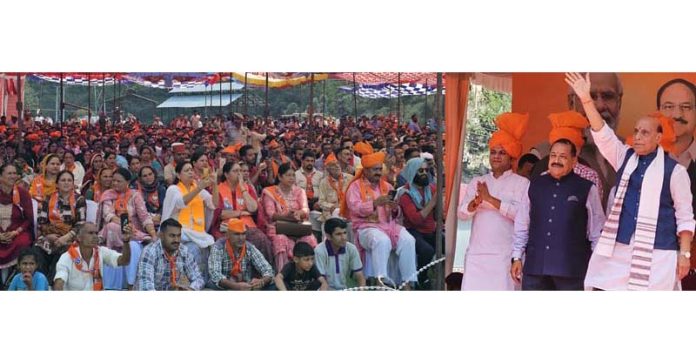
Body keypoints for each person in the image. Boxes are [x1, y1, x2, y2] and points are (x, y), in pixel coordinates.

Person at [566, 72, 695, 290]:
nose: (637, 136)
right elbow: (602, 133)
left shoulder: (675, 172)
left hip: (659, 253)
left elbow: (685, 217)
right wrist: (586, 100)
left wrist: (684, 255)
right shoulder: (625, 157)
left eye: (645, 133)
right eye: (636, 131)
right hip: (621, 249)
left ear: (658, 138)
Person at [510, 138, 605, 290]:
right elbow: (522, 223)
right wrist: (516, 257)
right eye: (553, 155)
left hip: (571, 271)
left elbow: (596, 231)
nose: (556, 160)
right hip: (535, 269)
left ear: (574, 160)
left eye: (563, 156)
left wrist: (597, 265)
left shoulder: (586, 188)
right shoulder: (534, 185)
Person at [457, 113, 530, 290]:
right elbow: (461, 214)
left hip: (504, 257)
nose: (496, 157)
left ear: (512, 157)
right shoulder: (478, 181)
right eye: (493, 152)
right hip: (477, 255)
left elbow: (522, 217)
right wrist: (474, 204)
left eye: (502, 153)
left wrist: (490, 200)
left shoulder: (522, 183)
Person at [342, 147, 417, 289]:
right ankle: (381, 283)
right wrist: (375, 203)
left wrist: (395, 208)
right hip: (366, 227)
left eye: (379, 169)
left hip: (390, 226)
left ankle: (408, 282)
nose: (378, 173)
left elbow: (397, 214)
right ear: (365, 171)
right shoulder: (355, 187)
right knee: (381, 241)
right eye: (374, 170)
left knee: (409, 240)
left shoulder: (387, 186)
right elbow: (354, 208)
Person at [656, 79, 696, 289]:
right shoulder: (640, 163)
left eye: (686, 107)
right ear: (657, 112)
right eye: (668, 107)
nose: (676, 114)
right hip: (652, 270)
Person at [97, 168, 157, 289]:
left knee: (132, 245)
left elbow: (144, 217)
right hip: (117, 232)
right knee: (111, 226)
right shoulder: (108, 195)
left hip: (133, 235)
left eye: (118, 181)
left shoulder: (135, 195)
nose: (114, 184)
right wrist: (128, 228)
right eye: (113, 181)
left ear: (127, 182)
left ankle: (131, 283)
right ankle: (141, 237)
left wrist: (153, 234)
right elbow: (108, 216)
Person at [161, 161, 218, 279]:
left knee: (210, 247)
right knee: (195, 248)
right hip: (179, 234)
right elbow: (181, 202)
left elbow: (214, 204)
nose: (190, 172)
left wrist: (215, 184)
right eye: (186, 170)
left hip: (197, 234)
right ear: (178, 175)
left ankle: (204, 280)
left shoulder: (198, 189)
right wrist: (199, 187)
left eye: (191, 169)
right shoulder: (173, 189)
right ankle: (188, 280)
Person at [260, 162, 318, 272]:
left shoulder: (299, 191)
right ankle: (283, 275)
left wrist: (299, 214)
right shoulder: (269, 191)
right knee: (280, 240)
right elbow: (271, 214)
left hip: (297, 227)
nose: (291, 178)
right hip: (278, 228)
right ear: (280, 177)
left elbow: (306, 209)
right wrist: (287, 216)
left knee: (309, 238)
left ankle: (311, 273)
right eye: (288, 175)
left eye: (293, 175)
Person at [212, 161, 273, 262]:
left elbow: (253, 208)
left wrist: (243, 188)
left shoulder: (247, 187)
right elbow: (220, 213)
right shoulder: (219, 189)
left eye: (240, 171)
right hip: (228, 227)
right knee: (226, 241)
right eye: (235, 171)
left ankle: (264, 273)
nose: (239, 174)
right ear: (226, 174)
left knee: (261, 239)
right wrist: (241, 212)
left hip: (248, 226)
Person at [33, 170, 86, 285]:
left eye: (69, 180)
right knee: (37, 252)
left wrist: (66, 237)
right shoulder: (48, 198)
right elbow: (41, 222)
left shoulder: (79, 200)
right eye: (63, 180)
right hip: (49, 236)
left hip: (70, 238)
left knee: (63, 254)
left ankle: (52, 285)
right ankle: (41, 285)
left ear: (73, 184)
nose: (66, 183)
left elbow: (81, 224)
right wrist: (49, 235)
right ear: (57, 184)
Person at [397, 157, 438, 289]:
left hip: (431, 229)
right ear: (412, 172)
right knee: (427, 250)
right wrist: (433, 203)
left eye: (426, 170)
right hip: (413, 230)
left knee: (448, 245)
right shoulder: (405, 193)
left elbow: (438, 216)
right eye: (420, 171)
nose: (425, 173)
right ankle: (421, 278)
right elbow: (416, 219)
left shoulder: (431, 189)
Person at [53, 222, 131, 291]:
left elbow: (124, 261)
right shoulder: (67, 257)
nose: (95, 236)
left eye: (96, 233)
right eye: (90, 233)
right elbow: (59, 282)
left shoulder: (101, 251)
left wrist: (126, 242)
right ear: (79, 238)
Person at [136, 218, 205, 290]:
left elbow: (198, 278)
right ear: (161, 236)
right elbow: (146, 287)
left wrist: (190, 289)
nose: (176, 240)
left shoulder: (183, 250)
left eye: (178, 236)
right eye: (172, 236)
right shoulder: (149, 252)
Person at [207, 218, 274, 290]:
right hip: (225, 286)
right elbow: (215, 275)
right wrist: (236, 286)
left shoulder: (249, 247)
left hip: (245, 284)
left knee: (272, 285)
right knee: (212, 284)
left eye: (243, 234)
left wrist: (262, 281)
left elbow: (268, 270)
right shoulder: (218, 247)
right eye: (237, 234)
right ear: (227, 235)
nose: (241, 238)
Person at [0, 164, 34, 285]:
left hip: (17, 231)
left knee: (23, 242)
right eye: (9, 173)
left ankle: (13, 279)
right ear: (0, 176)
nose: (13, 176)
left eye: (15, 173)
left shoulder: (22, 193)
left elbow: (29, 219)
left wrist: (16, 232)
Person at [314, 217, 366, 290]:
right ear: (328, 236)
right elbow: (322, 281)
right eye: (338, 234)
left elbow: (360, 275)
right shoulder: (319, 251)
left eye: (345, 233)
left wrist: (362, 290)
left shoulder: (351, 248)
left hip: (344, 289)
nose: (344, 237)